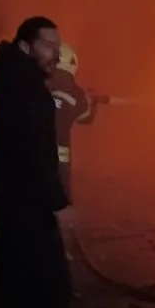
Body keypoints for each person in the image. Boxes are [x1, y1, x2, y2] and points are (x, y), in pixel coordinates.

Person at [0, 16, 73, 308]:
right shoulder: (29, 92)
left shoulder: (10, 82)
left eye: (57, 46)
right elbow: (37, 157)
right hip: (30, 211)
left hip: (11, 207)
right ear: (25, 46)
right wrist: (60, 206)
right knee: (52, 293)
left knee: (14, 291)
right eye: (47, 46)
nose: (56, 53)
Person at [47, 42, 96, 203]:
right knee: (61, 198)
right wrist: (91, 102)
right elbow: (86, 118)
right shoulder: (77, 93)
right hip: (60, 157)